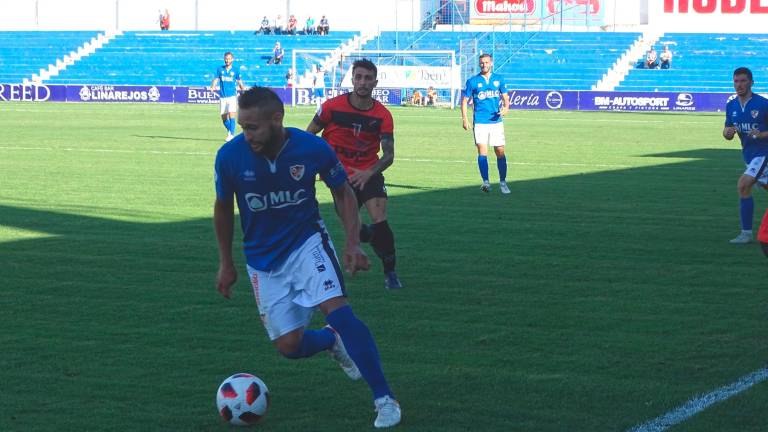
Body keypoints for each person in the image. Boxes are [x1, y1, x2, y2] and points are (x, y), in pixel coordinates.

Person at [213, 86, 402, 429]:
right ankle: (330, 339)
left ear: (277, 118)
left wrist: (351, 243)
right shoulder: (229, 157)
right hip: (262, 260)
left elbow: (342, 192)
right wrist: (226, 262)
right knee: (289, 346)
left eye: (252, 127)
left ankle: (384, 399)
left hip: (306, 244)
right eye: (243, 127)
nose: (247, 135)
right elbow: (223, 208)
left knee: (341, 311)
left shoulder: (312, 147)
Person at [306, 59, 403, 290]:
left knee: (381, 220)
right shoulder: (331, 106)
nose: (362, 82)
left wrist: (368, 173)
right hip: (339, 179)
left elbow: (388, 155)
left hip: (369, 173)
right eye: (358, 77)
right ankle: (366, 235)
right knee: (356, 231)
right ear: (352, 79)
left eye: (368, 78)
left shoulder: (382, 115)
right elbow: (309, 136)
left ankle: (390, 273)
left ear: (375, 82)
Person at [723, 67, 768, 244]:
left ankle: (746, 234)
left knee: (743, 185)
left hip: (764, 153)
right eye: (736, 81)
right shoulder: (731, 105)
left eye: (742, 81)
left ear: (751, 82)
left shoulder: (763, 104)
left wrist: (762, 135)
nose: (739, 85)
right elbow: (727, 130)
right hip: (749, 155)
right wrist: (727, 133)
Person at [461, 53, 511, 194]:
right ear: (479, 64)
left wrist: (506, 107)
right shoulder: (472, 81)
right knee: (482, 152)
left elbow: (505, 96)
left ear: (491, 63)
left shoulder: (499, 79)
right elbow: (464, 101)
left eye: (486, 62)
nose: (484, 65)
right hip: (480, 122)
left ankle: (503, 182)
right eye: (482, 63)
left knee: (500, 151)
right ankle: (486, 182)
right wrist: (465, 119)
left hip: (496, 121)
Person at [210, 52, 247, 142]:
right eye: (226, 58)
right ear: (224, 59)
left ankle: (231, 134)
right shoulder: (220, 69)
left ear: (232, 59)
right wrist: (212, 87)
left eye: (229, 58)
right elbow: (216, 79)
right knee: (224, 118)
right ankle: (230, 132)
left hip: (232, 96)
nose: (227, 60)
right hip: (223, 97)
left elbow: (239, 81)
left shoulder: (236, 70)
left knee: (231, 114)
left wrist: (243, 89)